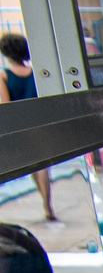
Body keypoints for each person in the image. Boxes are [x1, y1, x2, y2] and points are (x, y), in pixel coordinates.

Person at [4, 35, 56, 224]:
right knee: (42, 166)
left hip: (20, 127)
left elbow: (5, 105)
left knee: (33, 167)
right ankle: (47, 203)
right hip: (39, 123)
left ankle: (45, 202)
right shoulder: (36, 73)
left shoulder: (4, 75)